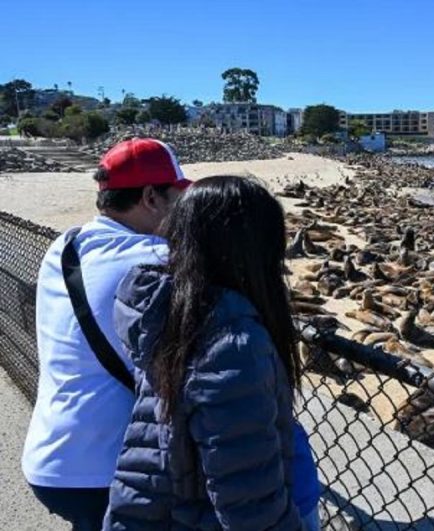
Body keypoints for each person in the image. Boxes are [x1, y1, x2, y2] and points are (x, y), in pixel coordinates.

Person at [105, 176, 318, 530]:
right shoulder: (231, 345)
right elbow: (249, 504)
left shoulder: (165, 313)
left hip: (144, 505)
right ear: (255, 248)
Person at [22, 138, 191, 531]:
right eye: (178, 196)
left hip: (48, 457)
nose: (184, 209)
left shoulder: (65, 245)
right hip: (106, 470)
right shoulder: (155, 261)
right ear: (151, 197)